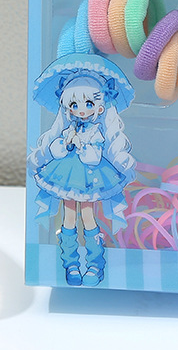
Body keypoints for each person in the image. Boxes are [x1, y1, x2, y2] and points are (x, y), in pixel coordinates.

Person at [29, 58, 136, 286]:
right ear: (67, 106)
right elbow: (57, 148)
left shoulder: (96, 131)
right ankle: (70, 264)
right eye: (74, 104)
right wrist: (64, 144)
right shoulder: (69, 127)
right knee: (68, 218)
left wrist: (81, 145)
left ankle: (95, 264)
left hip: (90, 176)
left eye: (88, 103)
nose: (80, 110)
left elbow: (94, 157)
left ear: (100, 107)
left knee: (88, 216)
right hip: (66, 173)